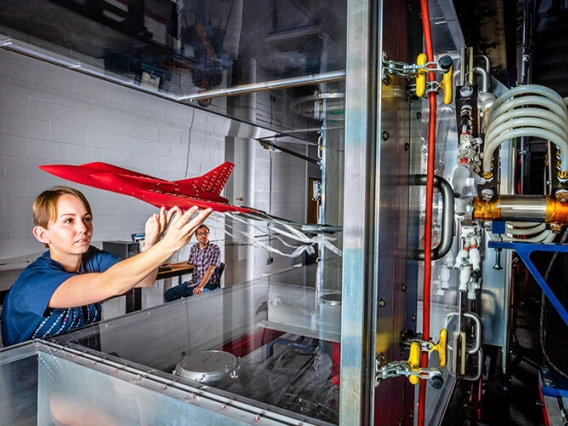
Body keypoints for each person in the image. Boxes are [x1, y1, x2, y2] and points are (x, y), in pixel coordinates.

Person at [0, 186, 211, 346]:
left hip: (80, 365)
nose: (83, 228)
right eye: (68, 221)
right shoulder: (35, 283)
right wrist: (168, 245)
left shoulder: (92, 258)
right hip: (32, 382)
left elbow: (145, 280)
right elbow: (111, 284)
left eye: (87, 218)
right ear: (42, 234)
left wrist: (151, 244)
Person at [164, 224, 221, 302]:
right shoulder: (194, 248)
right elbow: (190, 263)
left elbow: (211, 269)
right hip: (194, 282)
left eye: (205, 233)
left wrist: (200, 286)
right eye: (200, 233)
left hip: (208, 285)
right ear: (196, 236)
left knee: (195, 300)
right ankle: (178, 313)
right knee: (169, 294)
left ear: (208, 234)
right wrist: (172, 265)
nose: (203, 235)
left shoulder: (214, 249)